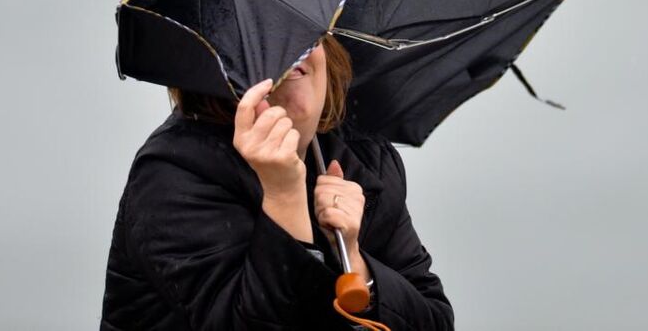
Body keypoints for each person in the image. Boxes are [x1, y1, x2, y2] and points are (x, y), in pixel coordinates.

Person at [100, 33, 454, 330]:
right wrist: (284, 197)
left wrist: (357, 265)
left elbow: (435, 320)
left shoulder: (365, 160)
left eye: (305, 29)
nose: (290, 44)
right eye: (257, 35)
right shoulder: (172, 174)